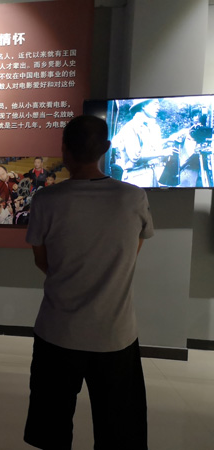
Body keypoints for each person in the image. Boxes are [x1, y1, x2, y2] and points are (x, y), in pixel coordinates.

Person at [24, 115, 154, 450]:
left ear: (64, 149)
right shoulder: (133, 197)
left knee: (50, 430)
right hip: (115, 335)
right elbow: (132, 252)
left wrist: (71, 274)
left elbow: (42, 260)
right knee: (119, 432)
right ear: (106, 148)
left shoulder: (46, 200)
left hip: (57, 331)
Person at [110, 98, 166, 186]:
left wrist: (168, 141)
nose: (158, 107)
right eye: (155, 104)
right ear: (143, 106)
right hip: (137, 176)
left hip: (151, 174)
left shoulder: (152, 127)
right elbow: (135, 157)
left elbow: (151, 148)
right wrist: (163, 153)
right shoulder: (131, 127)